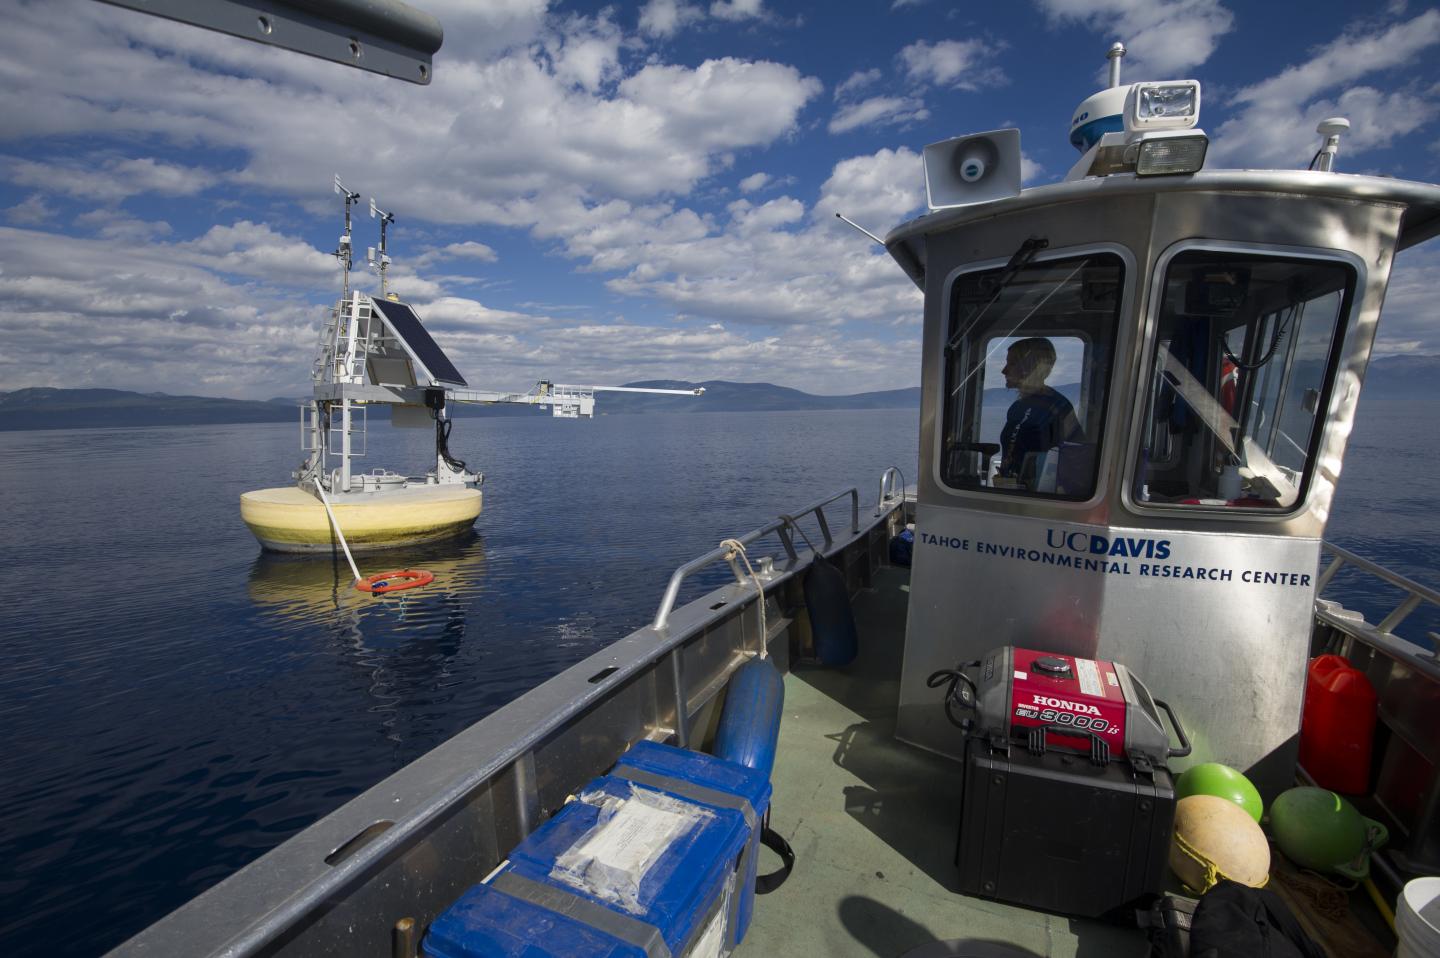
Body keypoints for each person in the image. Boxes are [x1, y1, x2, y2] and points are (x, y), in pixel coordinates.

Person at [998, 337, 1082, 488]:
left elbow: (1076, 456)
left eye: (1011, 363)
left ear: (1030, 366)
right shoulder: (1017, 407)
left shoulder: (1057, 407)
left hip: (1037, 495)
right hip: (1011, 490)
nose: (1004, 370)